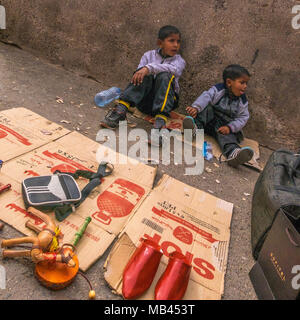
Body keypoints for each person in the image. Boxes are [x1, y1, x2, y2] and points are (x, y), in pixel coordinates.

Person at [101, 25, 186, 136]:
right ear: (160, 43)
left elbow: (175, 70)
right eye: (171, 41)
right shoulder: (148, 55)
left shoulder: (179, 61)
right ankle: (120, 111)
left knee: (165, 75)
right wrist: (145, 70)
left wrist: (149, 68)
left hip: (165, 104)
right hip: (143, 102)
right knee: (142, 73)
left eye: (178, 42)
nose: (176, 45)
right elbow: (138, 75)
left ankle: (160, 125)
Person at [183, 64, 254, 168]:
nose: (245, 86)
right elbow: (206, 96)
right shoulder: (218, 90)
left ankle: (233, 154)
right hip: (209, 121)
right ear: (229, 82)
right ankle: (195, 130)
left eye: (246, 83)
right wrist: (196, 108)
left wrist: (230, 128)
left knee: (228, 138)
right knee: (206, 109)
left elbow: (243, 118)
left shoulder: (242, 101)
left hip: (223, 128)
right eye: (242, 82)